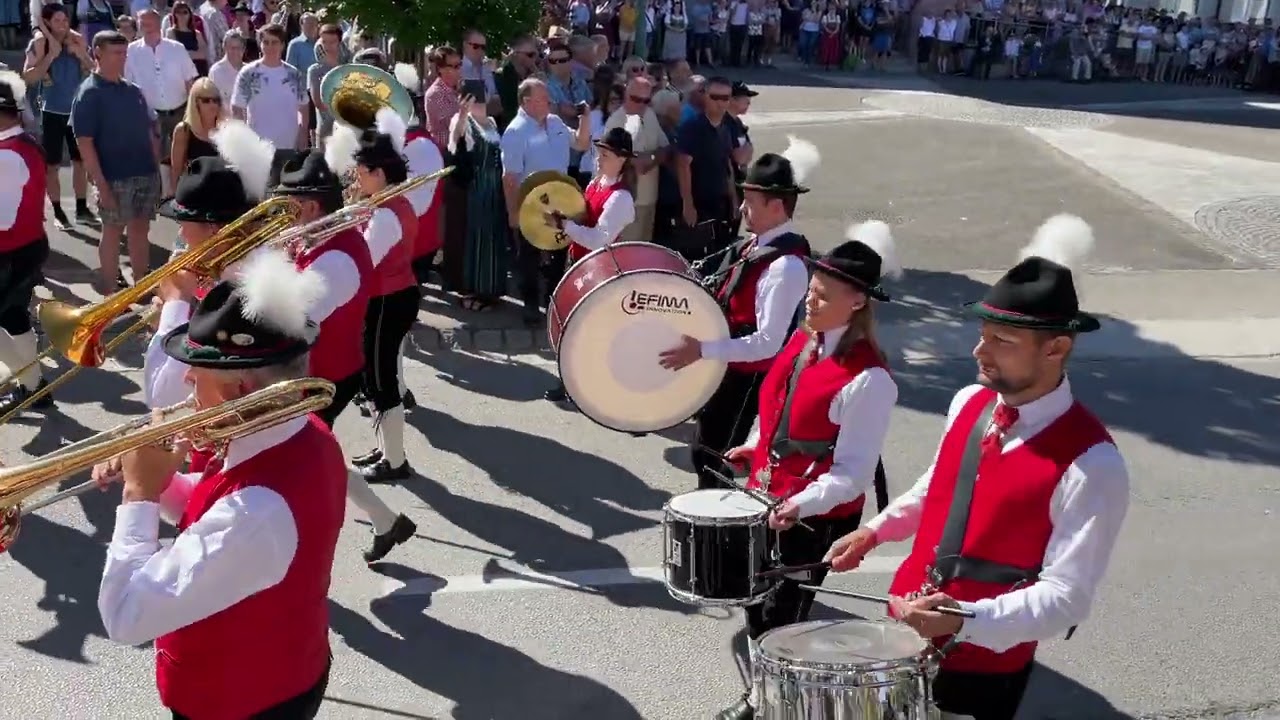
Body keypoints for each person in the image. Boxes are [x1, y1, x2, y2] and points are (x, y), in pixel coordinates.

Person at [824, 215, 1131, 720]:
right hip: (903, 628)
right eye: (983, 333)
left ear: (1056, 348)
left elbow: (1067, 598)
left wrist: (964, 619)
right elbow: (937, 489)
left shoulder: (1093, 463)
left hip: (983, 667)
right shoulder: (970, 401)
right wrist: (876, 531)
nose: (978, 351)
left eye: (1001, 342)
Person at [96, 250, 345, 720]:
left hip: (239, 702)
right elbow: (219, 509)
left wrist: (139, 496)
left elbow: (124, 616)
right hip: (283, 668)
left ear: (240, 391)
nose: (187, 379)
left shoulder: (257, 513)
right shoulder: (300, 428)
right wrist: (158, 480)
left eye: (198, 373)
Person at [713, 223, 902, 720]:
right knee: (755, 603)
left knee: (783, 622)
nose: (810, 302)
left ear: (857, 301)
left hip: (814, 517)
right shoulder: (804, 339)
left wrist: (800, 504)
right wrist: (753, 447)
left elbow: (853, 475)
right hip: (768, 497)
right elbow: (771, 409)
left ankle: (769, 703)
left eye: (821, 295)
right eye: (811, 293)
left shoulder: (870, 381)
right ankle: (766, 692)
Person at [271, 149, 417, 562]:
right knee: (317, 455)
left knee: (305, 460)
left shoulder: (336, 255)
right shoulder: (321, 236)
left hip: (324, 373)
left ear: (311, 205)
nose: (284, 214)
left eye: (289, 205)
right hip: (322, 367)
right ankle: (386, 521)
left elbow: (292, 318)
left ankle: (307, 549)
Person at [658, 138, 820, 492]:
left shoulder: (785, 266)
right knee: (706, 455)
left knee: (717, 462)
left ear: (776, 206)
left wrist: (702, 349)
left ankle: (717, 539)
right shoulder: (755, 246)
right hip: (727, 371)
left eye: (750, 201)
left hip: (746, 383)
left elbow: (767, 343)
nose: (743, 208)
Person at [327, 107, 421, 482]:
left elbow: (364, 260)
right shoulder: (386, 204)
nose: (357, 179)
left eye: (362, 173)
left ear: (380, 174)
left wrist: (345, 222)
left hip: (388, 299)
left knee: (382, 382)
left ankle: (395, 461)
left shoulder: (385, 215)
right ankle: (387, 449)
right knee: (377, 378)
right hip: (389, 297)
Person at [543, 122, 638, 404]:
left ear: (621, 160)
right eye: (599, 153)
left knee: (588, 330)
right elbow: (583, 218)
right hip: (579, 264)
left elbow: (599, 238)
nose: (598, 159)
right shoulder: (596, 183)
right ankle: (573, 381)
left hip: (598, 270)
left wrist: (567, 225)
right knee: (574, 327)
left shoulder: (621, 198)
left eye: (606, 155)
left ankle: (584, 386)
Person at [0, 70, 51, 417]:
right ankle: (31, 383)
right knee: (15, 316)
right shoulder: (26, 142)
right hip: (27, 245)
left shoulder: (5, 155)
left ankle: (32, 384)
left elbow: (2, 220)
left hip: (10, 251)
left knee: (13, 316)